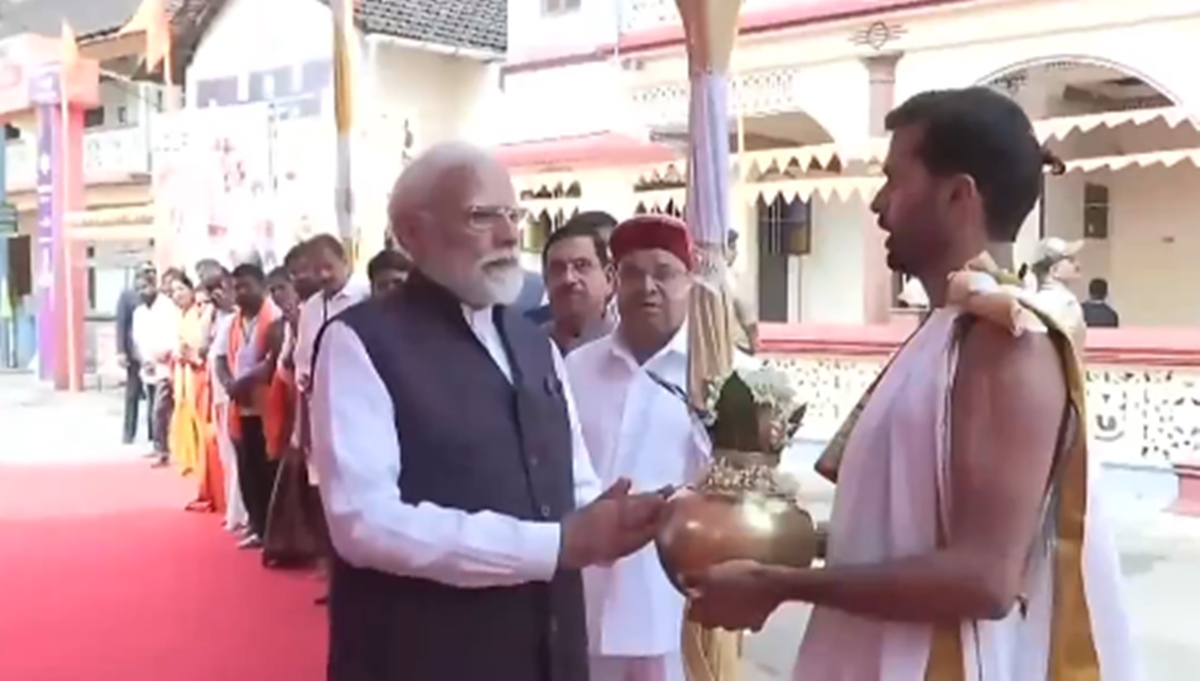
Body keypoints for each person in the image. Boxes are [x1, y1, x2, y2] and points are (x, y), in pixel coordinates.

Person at [683, 87, 1138, 680]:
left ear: (958, 195)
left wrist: (778, 584)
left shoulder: (1005, 339)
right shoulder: (947, 327)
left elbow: (983, 579)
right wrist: (767, 536)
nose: (878, 204)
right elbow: (905, 533)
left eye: (894, 181)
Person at [309, 141, 669, 681]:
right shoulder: (361, 342)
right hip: (424, 656)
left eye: (513, 215)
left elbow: (573, 485)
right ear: (412, 232)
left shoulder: (535, 344)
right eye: (482, 216)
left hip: (549, 650)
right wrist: (557, 544)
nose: (508, 235)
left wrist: (628, 517)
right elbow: (364, 522)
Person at [567, 215, 749, 681]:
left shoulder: (725, 379)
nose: (647, 287)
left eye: (664, 273)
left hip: (674, 611)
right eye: (632, 273)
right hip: (582, 601)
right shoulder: (576, 369)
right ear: (613, 280)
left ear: (689, 279)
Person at [214, 263, 280, 550]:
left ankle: (273, 531)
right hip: (240, 407)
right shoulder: (231, 322)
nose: (240, 293)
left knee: (268, 471)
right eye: (236, 287)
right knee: (248, 468)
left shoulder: (274, 316)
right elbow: (218, 358)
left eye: (246, 286)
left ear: (261, 286)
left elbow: (273, 360)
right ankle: (257, 525)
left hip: (270, 406)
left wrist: (245, 382)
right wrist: (229, 383)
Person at [205, 267, 248, 533]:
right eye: (213, 291)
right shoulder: (223, 319)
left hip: (247, 396)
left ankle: (246, 514)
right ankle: (237, 512)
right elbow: (216, 357)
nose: (219, 295)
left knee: (242, 458)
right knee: (229, 456)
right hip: (225, 396)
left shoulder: (239, 318)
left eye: (225, 288)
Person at [541, 219, 615, 354]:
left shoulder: (633, 349)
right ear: (546, 281)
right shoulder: (526, 348)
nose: (568, 278)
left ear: (609, 279)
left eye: (581, 265)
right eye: (557, 268)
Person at [132, 269, 180, 467]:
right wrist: (145, 359)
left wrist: (163, 353)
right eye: (138, 289)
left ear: (154, 285)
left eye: (145, 287)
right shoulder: (139, 312)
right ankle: (158, 444)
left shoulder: (168, 307)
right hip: (148, 367)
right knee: (153, 408)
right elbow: (138, 339)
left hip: (166, 366)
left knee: (160, 410)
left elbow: (174, 333)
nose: (142, 292)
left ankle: (164, 450)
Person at [116, 261, 155, 445]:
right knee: (132, 394)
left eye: (151, 272)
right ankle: (128, 433)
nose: (148, 275)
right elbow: (121, 324)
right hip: (134, 353)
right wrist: (121, 351)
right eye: (145, 272)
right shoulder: (128, 296)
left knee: (154, 395)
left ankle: (154, 433)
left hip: (153, 352)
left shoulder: (157, 296)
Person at [1029, 236, 1087, 349]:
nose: (1077, 265)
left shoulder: (1034, 301)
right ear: (1054, 270)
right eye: (1070, 260)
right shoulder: (1066, 304)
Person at [723, 230, 758, 353]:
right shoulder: (731, 279)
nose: (736, 253)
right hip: (735, 347)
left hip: (732, 347)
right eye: (732, 247)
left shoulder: (705, 277)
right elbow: (750, 322)